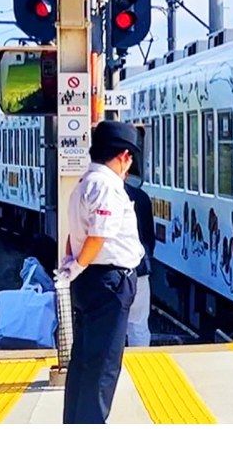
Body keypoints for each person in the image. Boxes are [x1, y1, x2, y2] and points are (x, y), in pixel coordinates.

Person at [59, 120, 144, 424]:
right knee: (103, 365)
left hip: (93, 281)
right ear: (123, 155)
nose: (129, 165)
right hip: (109, 282)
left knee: (84, 361)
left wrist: (74, 266)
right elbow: (98, 235)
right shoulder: (107, 186)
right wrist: (79, 265)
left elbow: (75, 236)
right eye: (130, 158)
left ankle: (76, 426)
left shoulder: (85, 183)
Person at [125, 166, 155, 347]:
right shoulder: (141, 197)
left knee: (112, 327)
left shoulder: (97, 195)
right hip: (139, 269)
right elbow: (150, 238)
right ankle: (140, 365)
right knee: (138, 324)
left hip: (109, 272)